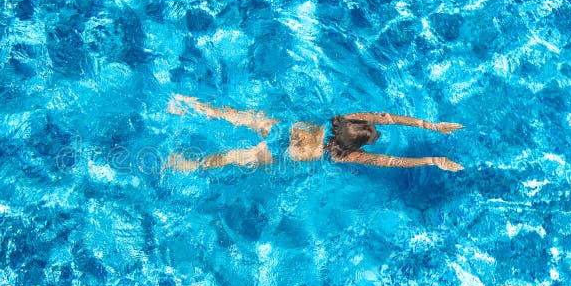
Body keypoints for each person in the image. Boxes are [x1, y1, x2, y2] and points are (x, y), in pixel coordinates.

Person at [165, 94, 464, 172]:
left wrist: (431, 125)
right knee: (231, 158)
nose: (375, 128)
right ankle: (189, 163)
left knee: (234, 116)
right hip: (283, 153)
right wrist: (431, 160)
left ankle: (187, 106)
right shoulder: (345, 155)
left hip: (284, 129)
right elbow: (388, 162)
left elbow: (388, 118)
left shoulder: (346, 118)